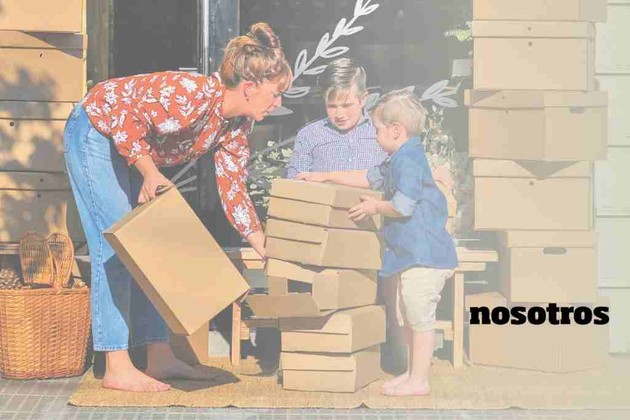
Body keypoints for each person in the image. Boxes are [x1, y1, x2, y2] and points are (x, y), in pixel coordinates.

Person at [63, 23, 291, 392]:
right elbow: (124, 117)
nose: (278, 102)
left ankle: (159, 357)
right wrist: (150, 172)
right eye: (276, 93)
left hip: (132, 149)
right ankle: (116, 366)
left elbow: (233, 186)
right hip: (97, 131)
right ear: (250, 87)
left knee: (150, 247)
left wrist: (261, 242)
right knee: (117, 249)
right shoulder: (193, 93)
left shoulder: (236, 125)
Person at [297, 89, 458, 396]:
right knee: (407, 314)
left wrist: (374, 207)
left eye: (377, 130)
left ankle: (420, 380)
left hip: (426, 256)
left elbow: (403, 205)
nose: (374, 136)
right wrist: (325, 176)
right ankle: (411, 372)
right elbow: (369, 178)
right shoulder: (398, 158)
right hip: (411, 255)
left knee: (419, 316)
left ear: (395, 130)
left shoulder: (408, 161)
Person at [285, 58, 387, 179]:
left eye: (347, 105)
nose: (339, 114)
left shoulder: (382, 131)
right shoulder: (310, 135)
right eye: (332, 106)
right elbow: (294, 183)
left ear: (363, 99)